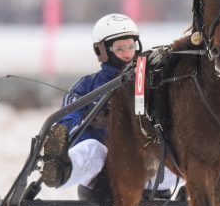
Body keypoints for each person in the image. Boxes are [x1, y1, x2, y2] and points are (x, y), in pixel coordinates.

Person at [40, 13, 176, 192]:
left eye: (131, 46)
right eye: (120, 49)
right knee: (90, 149)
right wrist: (77, 125)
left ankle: (199, 182)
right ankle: (59, 171)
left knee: (174, 151)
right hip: (105, 170)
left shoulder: (152, 82)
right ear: (102, 51)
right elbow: (67, 116)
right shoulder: (88, 85)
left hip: (149, 169)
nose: (128, 54)